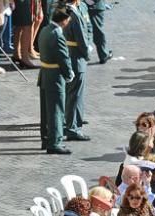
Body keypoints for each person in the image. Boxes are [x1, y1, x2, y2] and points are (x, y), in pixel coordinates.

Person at [38, 5, 74, 155]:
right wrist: (69, 73)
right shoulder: (57, 35)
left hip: (45, 74)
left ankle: (46, 139)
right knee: (56, 111)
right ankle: (55, 142)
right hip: (55, 77)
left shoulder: (45, 30)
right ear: (64, 20)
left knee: (46, 111)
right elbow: (63, 58)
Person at [62, 0, 92, 142]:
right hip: (76, 57)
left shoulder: (64, 10)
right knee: (75, 94)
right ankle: (72, 127)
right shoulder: (74, 14)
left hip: (70, 54)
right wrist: (87, 53)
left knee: (72, 92)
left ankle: (74, 121)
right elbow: (81, 38)